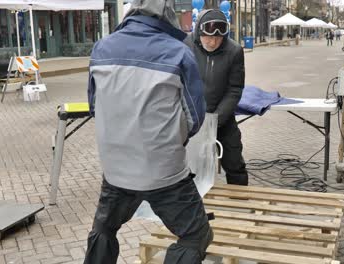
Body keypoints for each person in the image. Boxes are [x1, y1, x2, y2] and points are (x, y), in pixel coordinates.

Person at [84, 0, 213, 263]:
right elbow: (196, 117)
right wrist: (169, 139)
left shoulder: (101, 48)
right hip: (164, 172)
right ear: (168, 15)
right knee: (196, 235)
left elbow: (94, 106)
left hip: (116, 170)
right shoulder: (178, 52)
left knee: (103, 230)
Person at [185, 9, 248, 186]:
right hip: (191, 118)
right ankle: (192, 205)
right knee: (187, 165)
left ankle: (240, 202)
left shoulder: (234, 51)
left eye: (218, 38)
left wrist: (215, 120)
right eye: (208, 37)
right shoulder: (185, 45)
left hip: (221, 118)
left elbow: (235, 88)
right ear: (199, 32)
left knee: (234, 161)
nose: (212, 42)